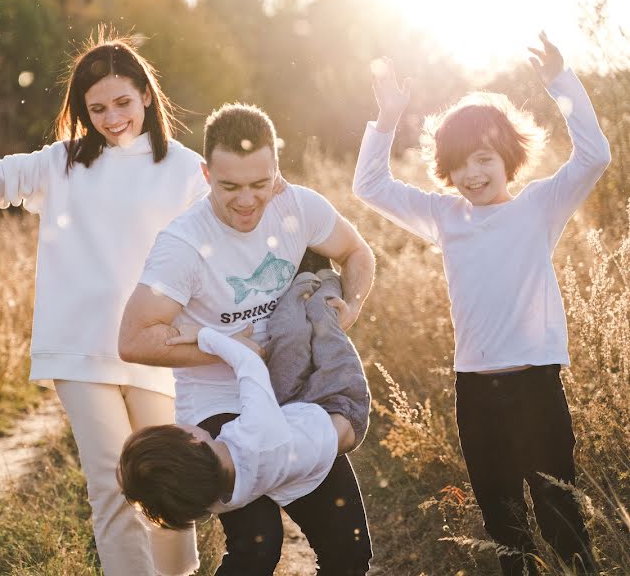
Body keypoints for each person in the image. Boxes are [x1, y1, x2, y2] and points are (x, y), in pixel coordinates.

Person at [0, 30, 209, 576]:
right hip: (80, 348)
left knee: (171, 493)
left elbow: (220, 245)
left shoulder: (186, 169)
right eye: (98, 108)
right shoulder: (63, 163)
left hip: (156, 348)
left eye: (123, 103)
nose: (112, 119)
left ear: (147, 97)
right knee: (112, 487)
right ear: (83, 112)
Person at [353, 33, 608, 575]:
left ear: (507, 156)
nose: (472, 174)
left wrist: (561, 82)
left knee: (560, 514)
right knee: (503, 523)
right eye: (460, 165)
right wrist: (388, 115)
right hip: (475, 390)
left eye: (484, 159)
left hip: (537, 384)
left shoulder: (540, 206)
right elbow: (369, 185)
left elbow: (595, 155)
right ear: (446, 170)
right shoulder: (446, 216)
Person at [119, 103, 375, 575]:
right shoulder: (182, 245)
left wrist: (352, 304)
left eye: (261, 185)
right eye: (229, 186)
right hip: (217, 407)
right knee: (259, 547)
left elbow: (357, 252)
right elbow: (133, 340)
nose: (246, 201)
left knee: (350, 551)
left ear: (277, 168)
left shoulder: (300, 206)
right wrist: (228, 345)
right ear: (205, 173)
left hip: (292, 396)